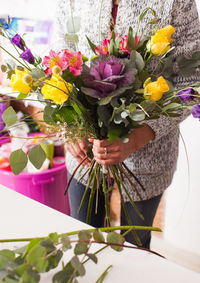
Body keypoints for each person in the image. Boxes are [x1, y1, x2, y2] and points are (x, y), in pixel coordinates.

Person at [54, 0, 200, 248]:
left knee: (135, 251)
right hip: (84, 157)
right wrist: (71, 129)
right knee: (84, 244)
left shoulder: (176, 2)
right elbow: (60, 60)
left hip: (148, 162)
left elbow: (192, 80)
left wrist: (138, 138)